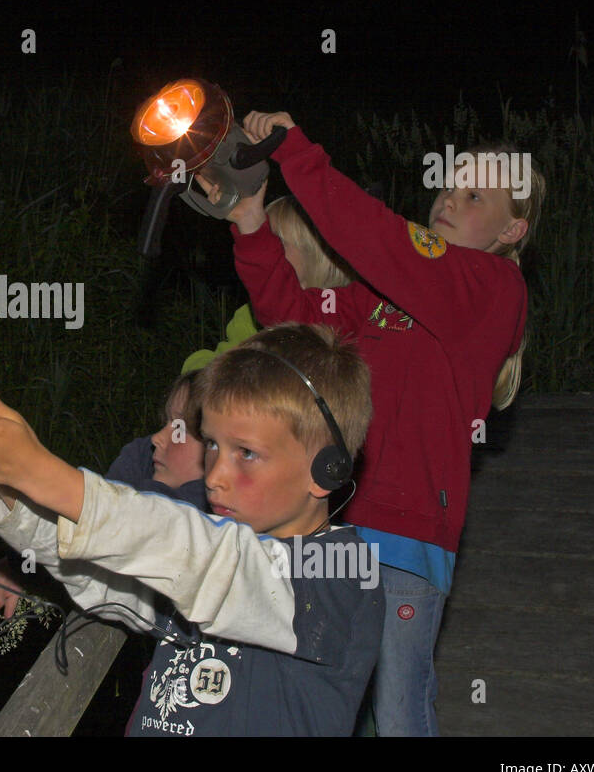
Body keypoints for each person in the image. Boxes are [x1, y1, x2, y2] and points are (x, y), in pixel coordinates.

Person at [200, 112, 543, 735]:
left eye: (476, 196)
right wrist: (250, 221)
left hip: (408, 544)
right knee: (316, 710)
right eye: (450, 182)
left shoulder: (496, 290)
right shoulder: (381, 301)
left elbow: (380, 239)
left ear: (512, 229)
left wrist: (298, 155)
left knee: (398, 712)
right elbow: (295, 322)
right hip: (333, 529)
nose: (450, 197)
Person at [0, 323, 384, 736]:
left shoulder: (341, 571)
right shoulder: (206, 556)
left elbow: (204, 559)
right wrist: (14, 490)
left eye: (246, 452)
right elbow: (104, 577)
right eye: (212, 444)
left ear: (325, 471)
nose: (214, 477)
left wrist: (43, 472)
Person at [0, 369, 207, 635]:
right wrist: (19, 567)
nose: (158, 438)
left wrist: (22, 469)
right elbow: (92, 543)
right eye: (166, 422)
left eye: (180, 428)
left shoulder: (208, 528)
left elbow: (117, 531)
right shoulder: (141, 461)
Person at [180, 194, 354, 374]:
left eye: (276, 242)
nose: (265, 248)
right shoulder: (250, 316)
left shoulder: (349, 313)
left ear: (317, 255)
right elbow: (211, 366)